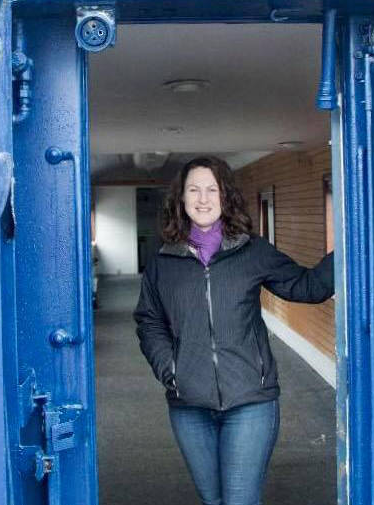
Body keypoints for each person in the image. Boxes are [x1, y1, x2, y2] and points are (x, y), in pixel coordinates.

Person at [133, 156, 334, 505]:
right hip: (189, 403)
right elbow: (149, 320)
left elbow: (307, 287)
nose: (203, 198)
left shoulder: (253, 252)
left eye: (212, 189)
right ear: (181, 199)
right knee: (213, 500)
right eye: (193, 190)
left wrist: (348, 246)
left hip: (249, 401)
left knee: (239, 500)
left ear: (225, 197)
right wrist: (171, 369)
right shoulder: (163, 262)